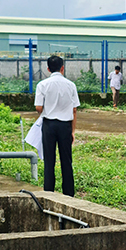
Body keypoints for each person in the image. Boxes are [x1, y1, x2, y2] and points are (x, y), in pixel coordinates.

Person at [34, 56, 80, 196]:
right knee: (66, 160)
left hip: (49, 125)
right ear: (62, 68)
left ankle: (49, 193)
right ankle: (69, 194)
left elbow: (38, 107)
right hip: (65, 125)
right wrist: (72, 131)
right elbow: (74, 109)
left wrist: (48, 110)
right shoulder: (71, 85)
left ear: (48, 69)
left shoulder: (42, 85)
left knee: (49, 160)